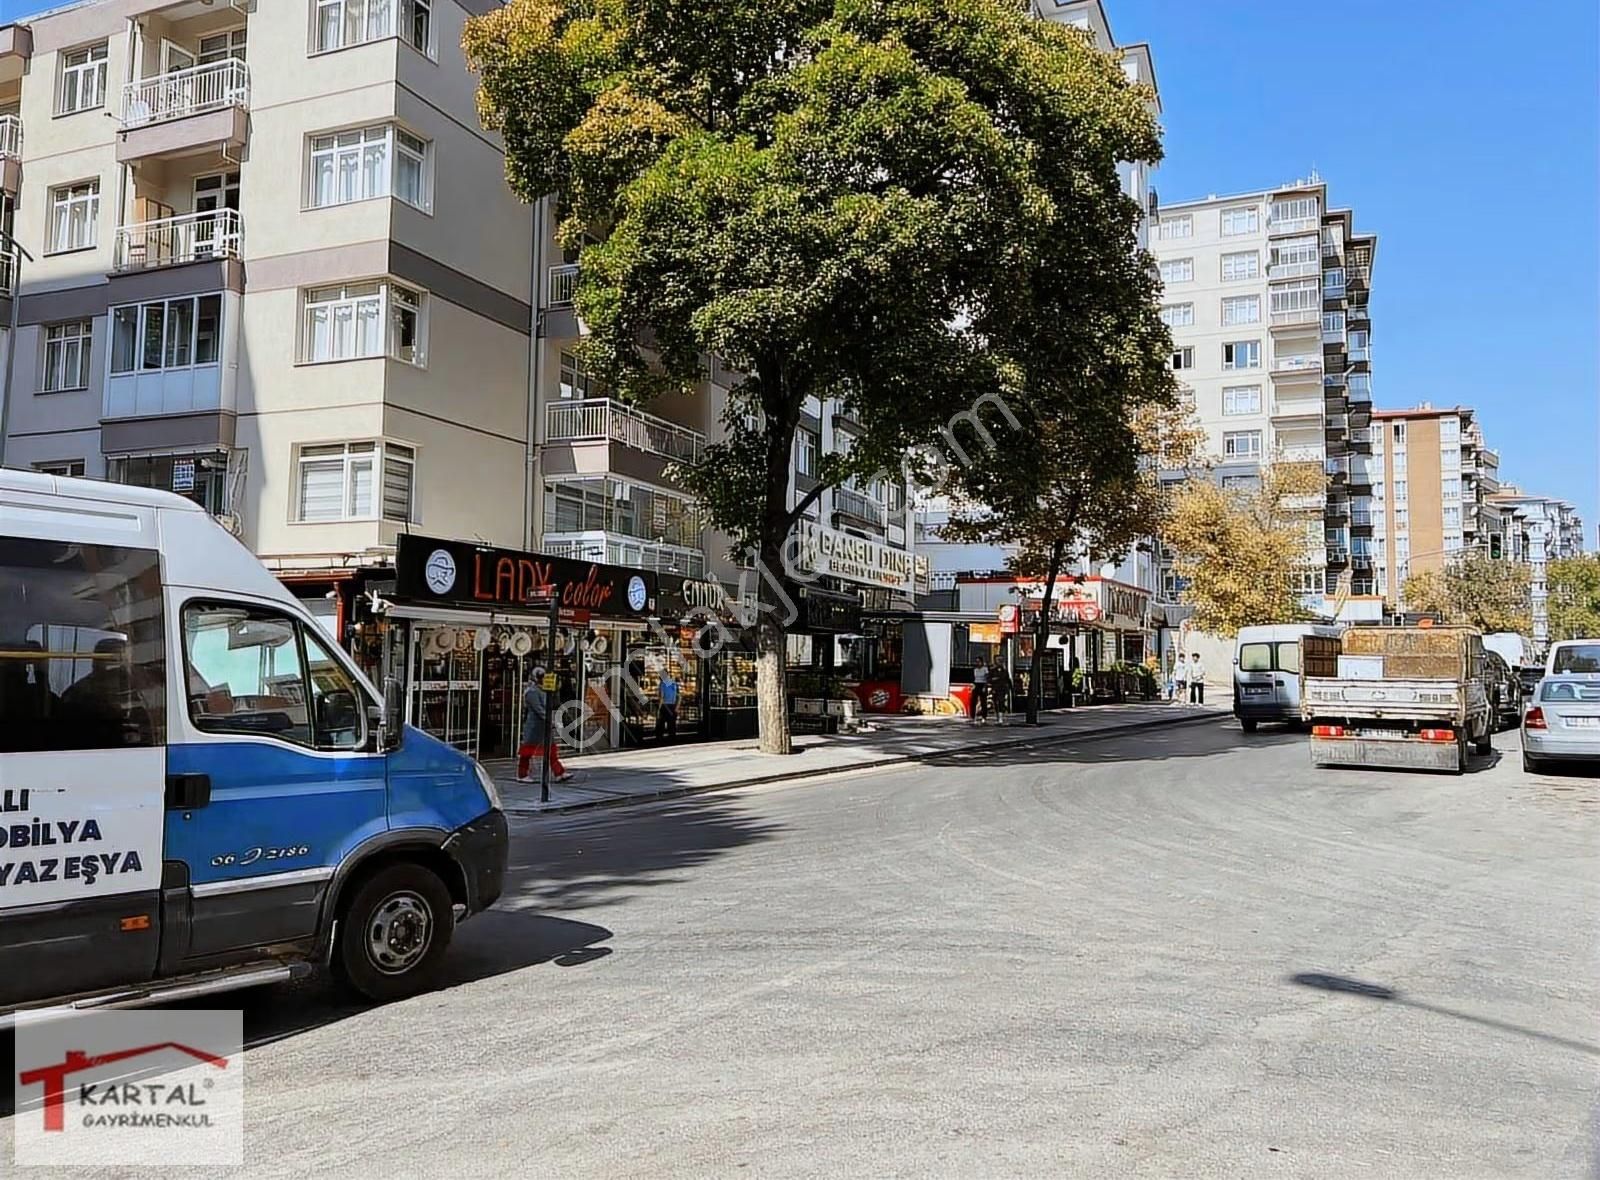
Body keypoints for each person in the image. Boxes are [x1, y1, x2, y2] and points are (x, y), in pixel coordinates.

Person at [517, 666, 572, 783]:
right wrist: (549, 720)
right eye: (541, 677)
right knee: (528, 751)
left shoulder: (544, 690)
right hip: (535, 726)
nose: (543, 679)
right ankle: (522, 774)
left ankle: (559, 772)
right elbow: (538, 709)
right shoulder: (531, 692)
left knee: (551, 750)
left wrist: (556, 690)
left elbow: (553, 704)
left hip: (544, 725)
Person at [656, 667, 680, 741]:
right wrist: (677, 707)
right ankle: (672, 739)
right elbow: (679, 697)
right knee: (672, 725)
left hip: (664, 706)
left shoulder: (662, 684)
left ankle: (660, 739)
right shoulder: (674, 684)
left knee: (661, 724)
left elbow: (662, 697)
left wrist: (658, 709)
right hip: (673, 706)